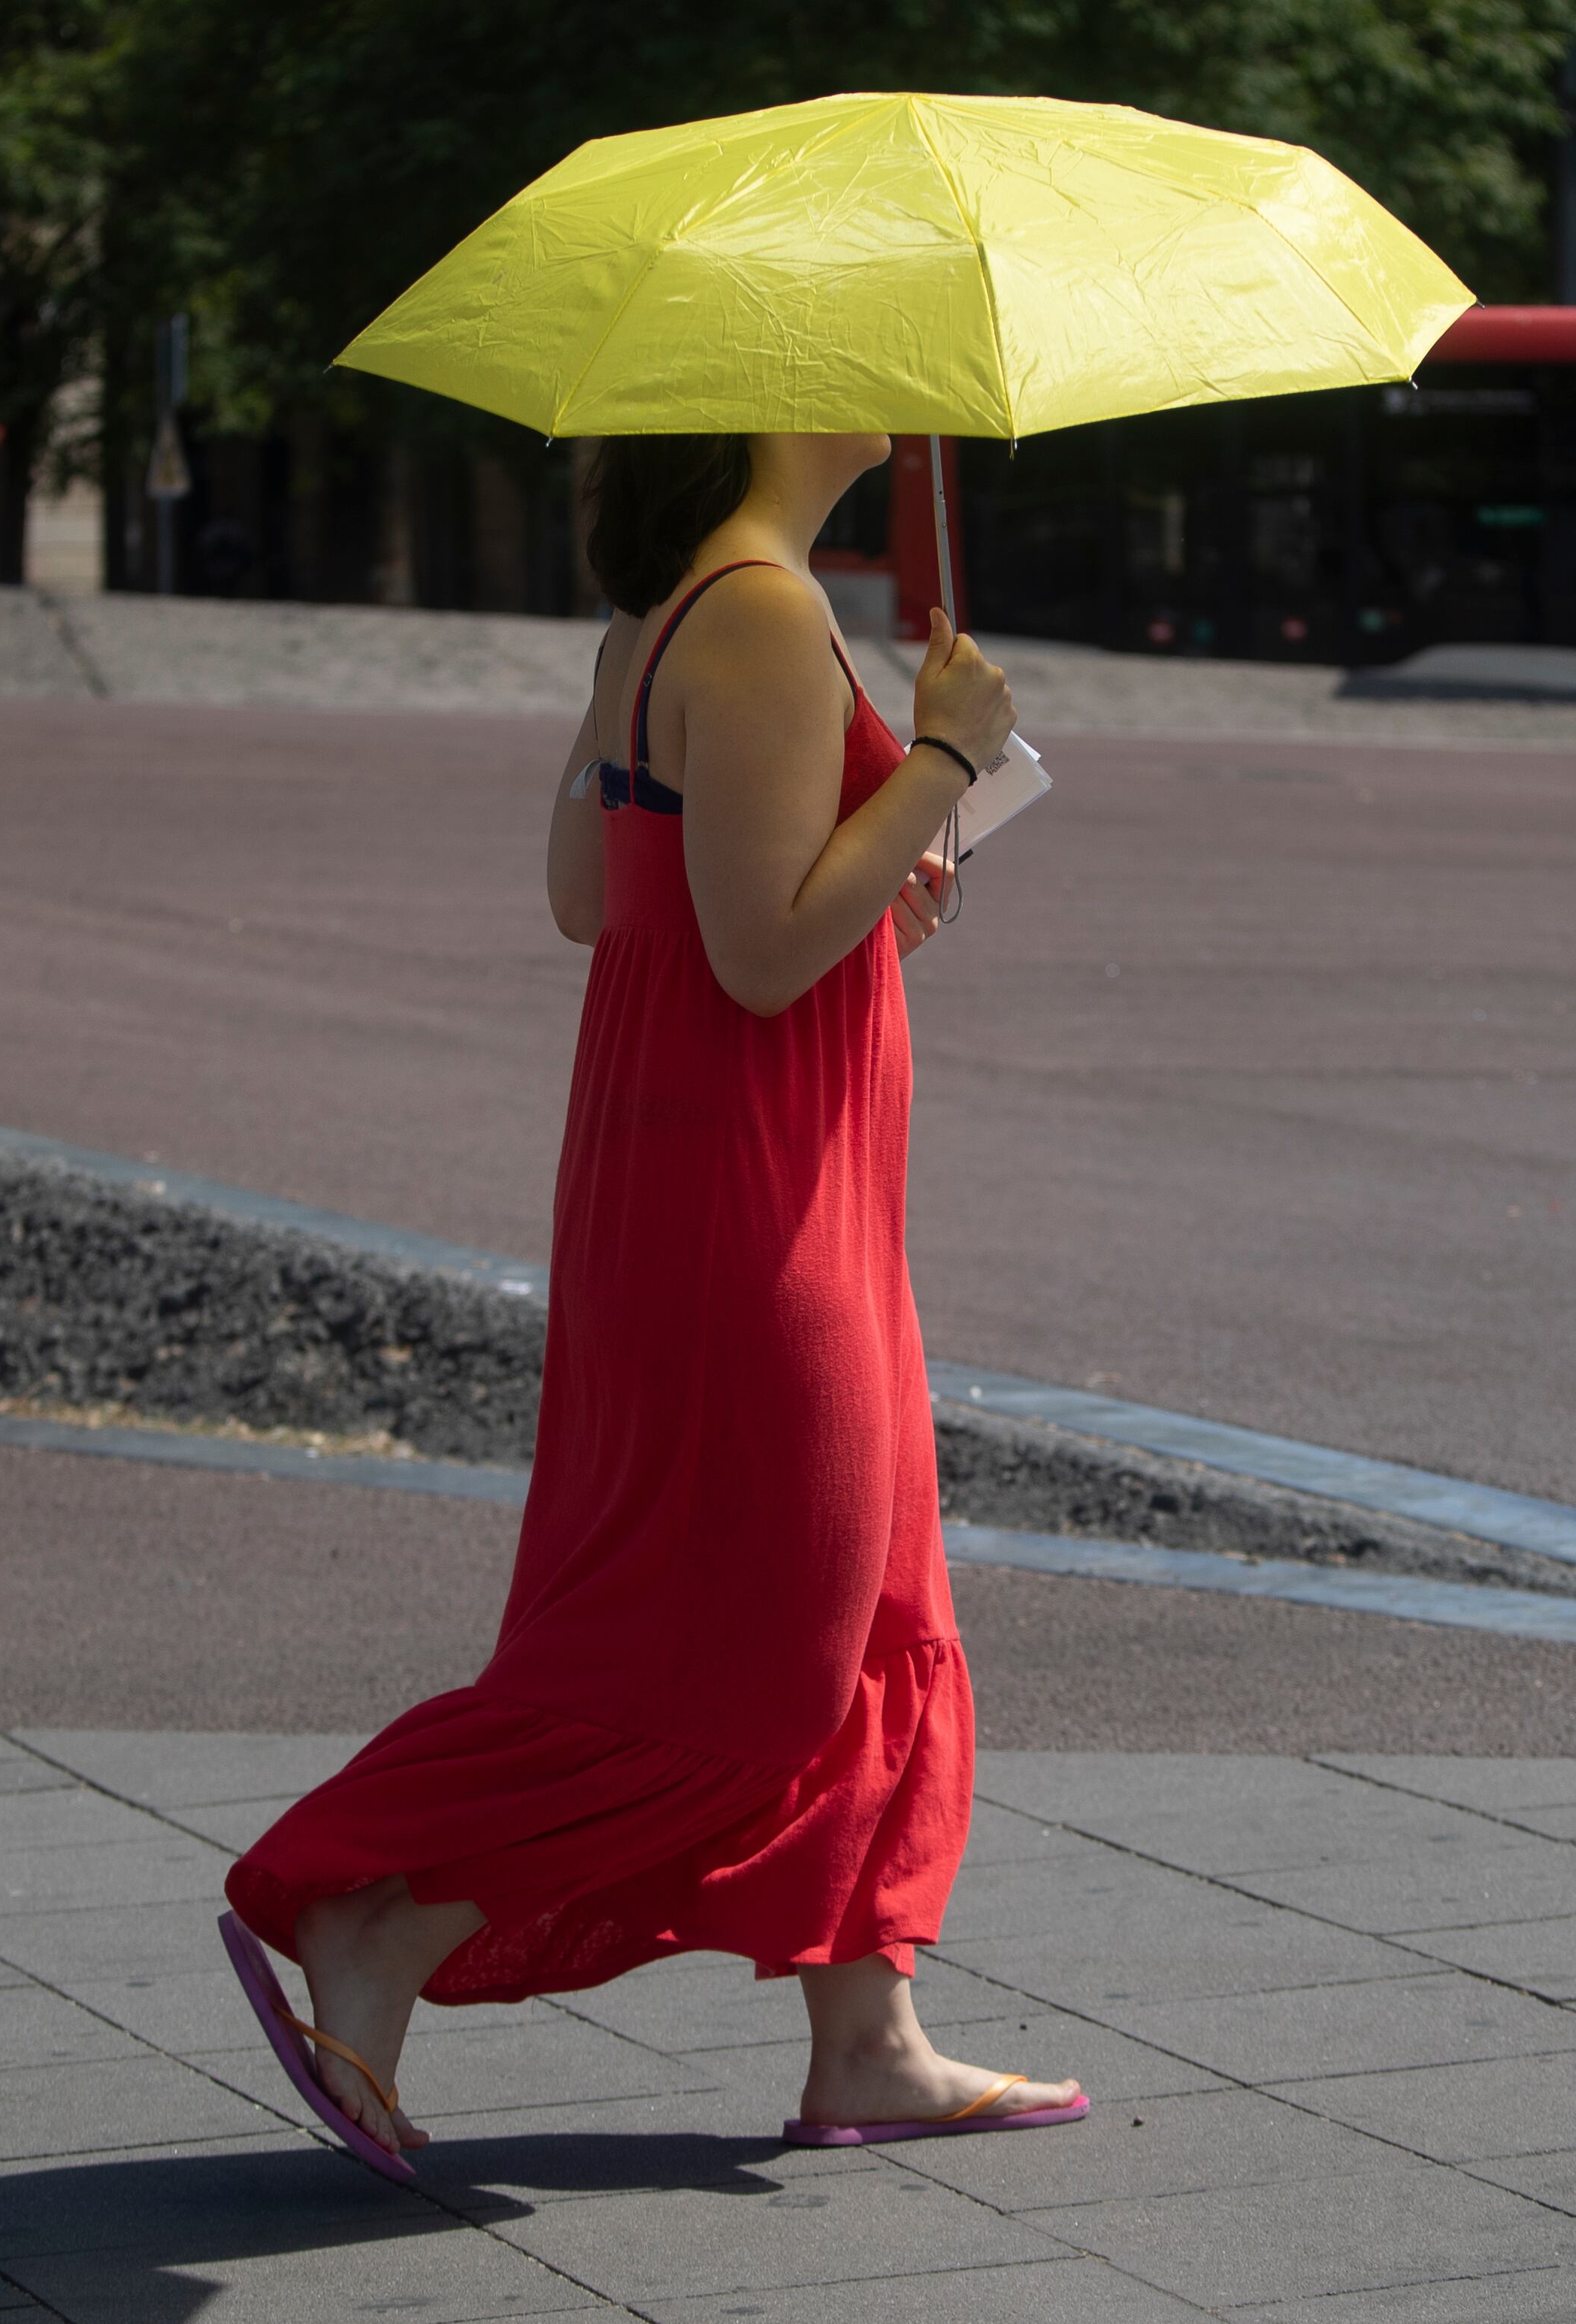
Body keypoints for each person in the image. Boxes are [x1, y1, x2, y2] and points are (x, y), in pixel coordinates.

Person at [218, 430, 1085, 2174]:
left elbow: (594, 898)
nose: (893, 392)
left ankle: (871, 2035)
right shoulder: (761, 615)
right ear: (779, 402)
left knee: (874, 1592)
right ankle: (391, 1910)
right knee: (754, 1641)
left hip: (725, 1175)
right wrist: (942, 761)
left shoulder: (659, 619)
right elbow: (761, 951)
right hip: (752, 1203)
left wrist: (881, 868)